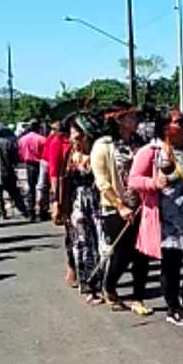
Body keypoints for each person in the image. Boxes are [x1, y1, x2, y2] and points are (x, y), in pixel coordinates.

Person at [130, 109, 183, 326]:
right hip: (166, 219)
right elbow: (133, 180)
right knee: (172, 263)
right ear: (165, 128)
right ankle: (173, 307)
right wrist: (153, 183)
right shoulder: (151, 151)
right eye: (180, 122)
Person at [93, 102, 152, 316]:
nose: (135, 121)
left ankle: (138, 297)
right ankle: (109, 287)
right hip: (116, 207)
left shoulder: (140, 142)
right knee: (122, 254)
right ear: (119, 120)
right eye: (131, 117)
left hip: (142, 205)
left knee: (142, 254)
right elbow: (102, 182)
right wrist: (120, 206)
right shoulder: (103, 145)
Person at [57, 115, 104, 304]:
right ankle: (88, 287)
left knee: (100, 243)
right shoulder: (70, 155)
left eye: (75, 135)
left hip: (98, 202)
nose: (72, 138)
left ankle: (101, 283)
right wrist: (60, 206)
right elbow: (62, 182)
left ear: (85, 136)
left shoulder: (97, 154)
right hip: (77, 204)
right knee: (82, 245)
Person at [0, 124, 28, 219]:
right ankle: (23, 210)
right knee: (15, 192)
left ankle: (0, 213)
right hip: (8, 171)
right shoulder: (8, 142)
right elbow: (15, 158)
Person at [42, 120, 70, 223]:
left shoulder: (68, 141)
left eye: (54, 129)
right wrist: (56, 199)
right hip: (62, 181)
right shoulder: (56, 142)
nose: (52, 131)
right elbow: (53, 170)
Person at [17, 120, 45, 221]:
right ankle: (42, 211)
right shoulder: (42, 139)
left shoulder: (22, 140)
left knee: (31, 188)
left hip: (28, 165)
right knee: (41, 188)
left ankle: (31, 212)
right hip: (40, 164)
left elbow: (20, 154)